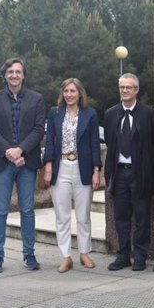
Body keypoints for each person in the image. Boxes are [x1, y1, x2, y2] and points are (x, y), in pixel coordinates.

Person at [0, 57, 46, 273]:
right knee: (0, 211)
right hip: (2, 163)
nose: (14, 75)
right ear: (4, 75)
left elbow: (39, 129)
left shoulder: (36, 99)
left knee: (27, 210)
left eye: (18, 72)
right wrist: (10, 153)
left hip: (27, 162)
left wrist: (20, 150)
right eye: (10, 71)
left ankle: (29, 255)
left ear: (24, 75)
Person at [42, 78, 102, 273]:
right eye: (66, 91)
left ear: (80, 94)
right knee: (62, 215)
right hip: (61, 167)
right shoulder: (55, 113)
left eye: (73, 91)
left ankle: (84, 252)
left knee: (83, 214)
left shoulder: (90, 114)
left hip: (82, 167)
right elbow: (49, 141)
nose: (69, 94)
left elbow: (95, 144)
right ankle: (66, 256)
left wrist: (96, 170)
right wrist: (48, 166)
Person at [104, 73, 154, 272]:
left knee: (142, 217)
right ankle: (123, 255)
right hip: (119, 173)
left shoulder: (150, 114)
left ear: (136, 90)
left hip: (140, 174)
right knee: (121, 217)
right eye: (122, 87)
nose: (125, 91)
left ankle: (140, 256)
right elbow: (110, 146)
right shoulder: (111, 114)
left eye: (129, 87)